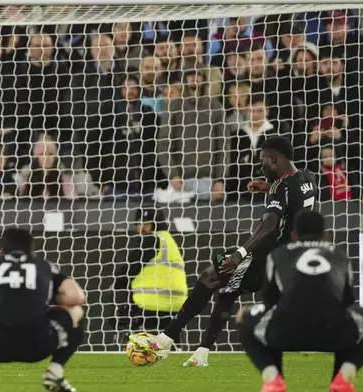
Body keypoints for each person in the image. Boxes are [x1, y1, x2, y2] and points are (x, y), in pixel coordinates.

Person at [130, 136, 318, 367]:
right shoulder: (307, 178)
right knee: (226, 290)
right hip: (290, 259)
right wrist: (267, 188)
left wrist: (240, 252)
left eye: (262, 161)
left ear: (273, 158)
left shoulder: (282, 187)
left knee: (211, 274)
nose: (260, 167)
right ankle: (202, 353)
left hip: (270, 257)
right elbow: (293, 196)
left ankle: (164, 340)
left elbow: (268, 225)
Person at [237, 210, 363, 392]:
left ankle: (273, 381)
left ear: (294, 235)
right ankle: (343, 379)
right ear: (325, 235)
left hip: (286, 333)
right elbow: (348, 302)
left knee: (245, 317)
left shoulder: (277, 254)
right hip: (334, 333)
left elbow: (269, 301)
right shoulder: (340, 255)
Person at [0, 228, 85, 392]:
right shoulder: (44, 266)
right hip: (39, 346)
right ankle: (55, 371)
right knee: (76, 310)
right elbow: (77, 297)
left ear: (1, 250)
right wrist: (46, 298)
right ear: (33, 250)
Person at [107, 208, 187, 334]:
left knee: (145, 348)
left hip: (151, 304)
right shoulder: (169, 240)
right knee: (170, 345)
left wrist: (116, 285)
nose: (141, 228)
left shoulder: (151, 240)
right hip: (176, 305)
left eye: (146, 224)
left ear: (156, 224)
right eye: (138, 224)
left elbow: (130, 269)